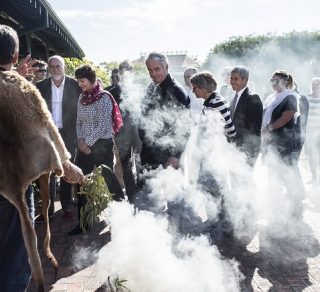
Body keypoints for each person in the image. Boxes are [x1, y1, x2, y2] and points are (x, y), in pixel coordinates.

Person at [0, 24, 84, 292]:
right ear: (15, 57)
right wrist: (68, 167)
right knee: (13, 263)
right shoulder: (20, 89)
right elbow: (44, 132)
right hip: (11, 194)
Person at [69, 64, 124, 235]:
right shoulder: (81, 98)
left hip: (102, 146)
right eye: (78, 81)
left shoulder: (104, 97)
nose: (80, 84)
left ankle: (122, 218)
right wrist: (80, 141)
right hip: (83, 145)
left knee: (109, 182)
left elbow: (102, 126)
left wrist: (87, 143)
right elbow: (78, 121)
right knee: (82, 182)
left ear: (91, 79)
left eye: (82, 80)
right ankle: (83, 223)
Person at [36, 55, 81, 222]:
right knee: (47, 171)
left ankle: (67, 206)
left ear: (64, 68)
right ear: (48, 68)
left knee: (66, 169)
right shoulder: (40, 86)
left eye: (58, 66)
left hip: (69, 134)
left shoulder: (75, 85)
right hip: (48, 134)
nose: (55, 69)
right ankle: (47, 209)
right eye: (52, 66)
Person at [261, 70, 303, 220]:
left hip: (286, 142)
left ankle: (296, 203)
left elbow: (288, 115)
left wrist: (269, 128)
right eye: (272, 80)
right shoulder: (272, 97)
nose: (273, 83)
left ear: (285, 82)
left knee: (288, 172)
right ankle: (276, 203)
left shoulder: (289, 96)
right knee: (273, 172)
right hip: (272, 142)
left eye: (276, 80)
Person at [139, 52, 190, 171]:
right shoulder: (151, 87)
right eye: (150, 70)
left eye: (157, 69)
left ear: (166, 67)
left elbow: (185, 126)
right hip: (149, 152)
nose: (153, 74)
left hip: (166, 157)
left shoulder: (176, 91)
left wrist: (176, 155)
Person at [112, 60, 142, 203]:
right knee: (126, 166)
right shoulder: (112, 92)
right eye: (122, 69)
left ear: (132, 71)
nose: (125, 71)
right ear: (119, 72)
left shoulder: (140, 89)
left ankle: (143, 194)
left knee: (141, 163)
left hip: (139, 133)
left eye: (128, 69)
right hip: (121, 134)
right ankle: (132, 197)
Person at [230, 66, 263, 167]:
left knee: (244, 181)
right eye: (231, 78)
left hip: (246, 149)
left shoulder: (253, 98)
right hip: (234, 148)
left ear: (245, 79)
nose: (232, 81)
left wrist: (247, 152)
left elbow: (255, 129)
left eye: (236, 79)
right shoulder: (234, 97)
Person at [306, 77, 320, 185]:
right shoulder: (307, 98)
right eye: (314, 84)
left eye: (318, 84)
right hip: (309, 132)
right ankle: (314, 177)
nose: (316, 86)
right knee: (311, 155)